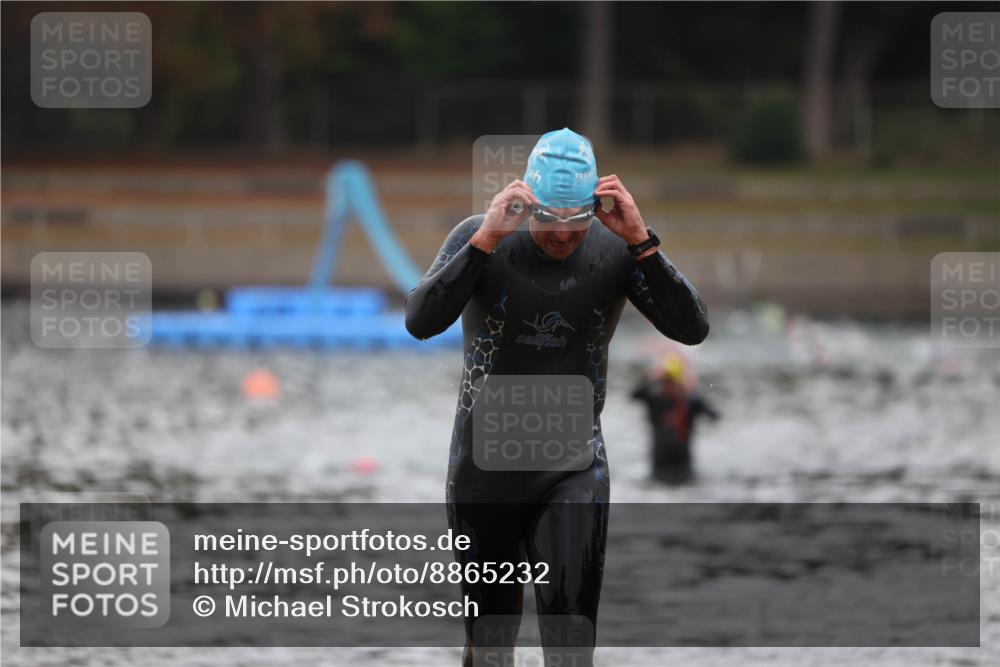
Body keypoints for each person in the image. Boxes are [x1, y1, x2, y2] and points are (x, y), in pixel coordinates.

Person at [405, 128, 709, 666]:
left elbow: (692, 329)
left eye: (576, 219)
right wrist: (483, 244)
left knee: (571, 650)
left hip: (573, 469)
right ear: (527, 200)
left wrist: (641, 240)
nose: (563, 234)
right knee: (490, 651)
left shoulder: (620, 250)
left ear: (596, 205)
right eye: (549, 218)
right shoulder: (481, 237)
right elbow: (420, 321)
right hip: (484, 471)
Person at [631, 353, 720, 483]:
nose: (668, 387)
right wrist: (651, 377)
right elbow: (634, 395)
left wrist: (695, 391)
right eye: (665, 382)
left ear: (680, 384)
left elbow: (714, 416)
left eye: (672, 383)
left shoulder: (691, 402)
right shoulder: (654, 400)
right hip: (659, 465)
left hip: (683, 465)